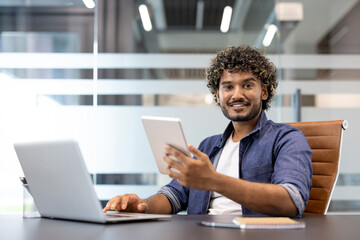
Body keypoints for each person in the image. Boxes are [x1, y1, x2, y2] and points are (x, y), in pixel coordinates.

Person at [103, 45, 312, 217]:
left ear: (264, 91)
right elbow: (174, 195)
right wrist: (141, 207)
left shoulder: (286, 138)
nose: (237, 95)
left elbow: (291, 201)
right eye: (228, 87)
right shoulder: (209, 146)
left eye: (248, 85)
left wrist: (214, 181)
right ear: (218, 95)